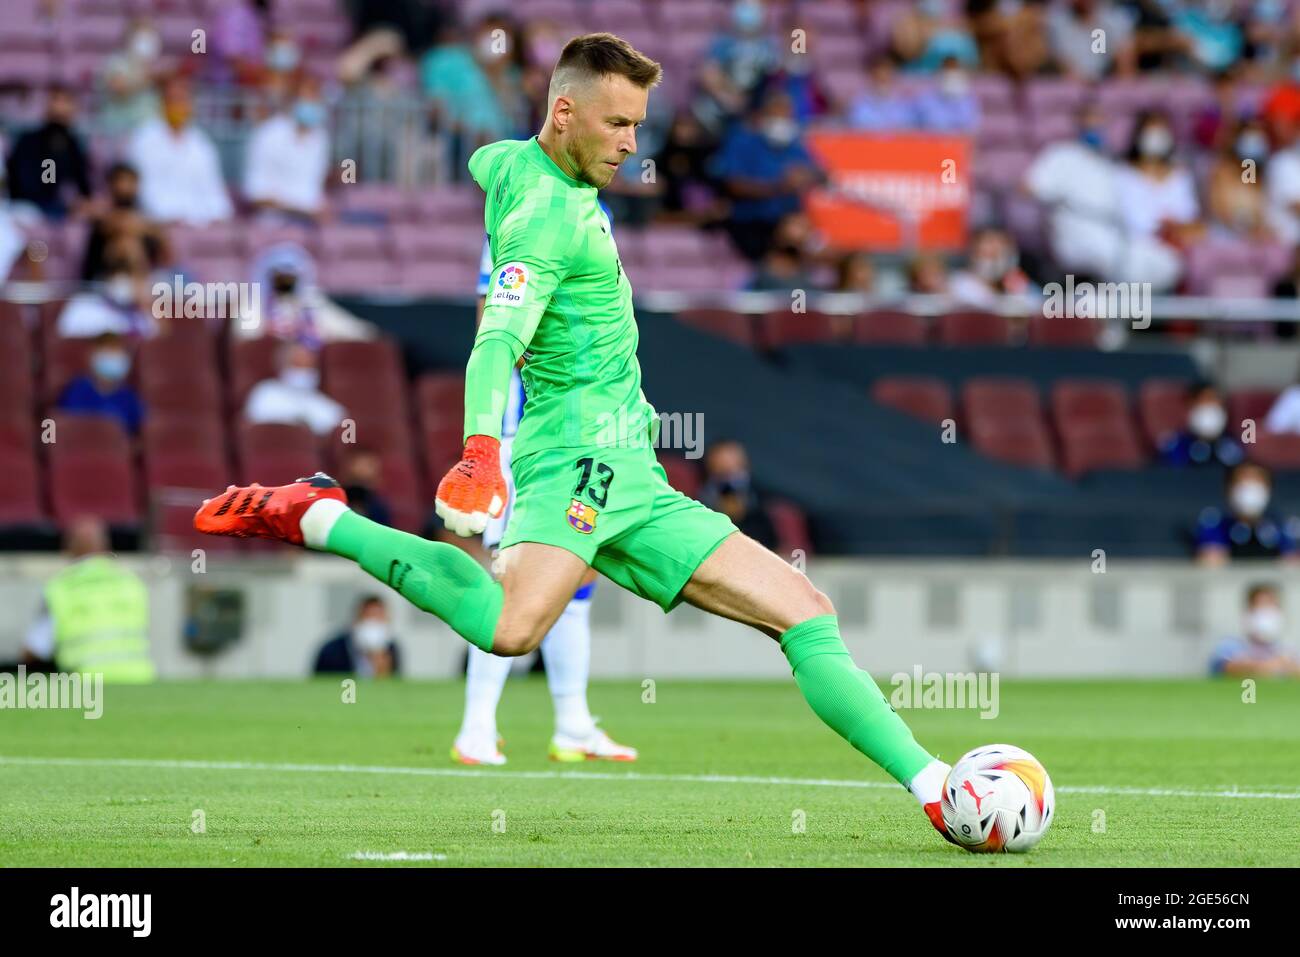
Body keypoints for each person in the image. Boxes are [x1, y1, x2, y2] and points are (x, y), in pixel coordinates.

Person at [194, 32, 959, 846]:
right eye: (618, 124)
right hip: (575, 462)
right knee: (511, 628)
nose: (633, 146)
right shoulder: (545, 219)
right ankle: (321, 516)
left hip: (638, 473)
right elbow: (496, 341)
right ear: (564, 113)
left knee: (805, 613)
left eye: (637, 126)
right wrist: (481, 450)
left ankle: (937, 786)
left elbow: (488, 160)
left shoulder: (508, 165)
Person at [450, 203, 637, 766]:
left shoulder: (593, 210)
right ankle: (476, 727)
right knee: (514, 577)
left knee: (575, 577)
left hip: (579, 432)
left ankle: (573, 724)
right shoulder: (528, 213)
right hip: (525, 435)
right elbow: (495, 319)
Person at [22, 516, 155, 683]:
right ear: (105, 546)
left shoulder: (60, 588)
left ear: (69, 548)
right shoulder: (132, 582)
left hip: (86, 687)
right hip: (139, 682)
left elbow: (36, 648)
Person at [711, 89, 820, 262]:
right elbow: (734, 184)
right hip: (750, 223)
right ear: (763, 115)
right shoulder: (742, 142)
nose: (782, 122)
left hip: (787, 222)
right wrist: (779, 187)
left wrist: (806, 177)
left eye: (787, 117)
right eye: (776, 115)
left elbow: (817, 172)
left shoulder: (795, 146)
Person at [126, 75, 233, 225]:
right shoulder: (143, 140)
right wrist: (167, 217)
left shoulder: (201, 143)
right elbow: (142, 191)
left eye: (183, 100)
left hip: (200, 222)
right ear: (162, 103)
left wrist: (219, 214)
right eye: (173, 100)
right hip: (158, 222)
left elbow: (213, 190)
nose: (178, 106)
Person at [235, 243, 377, 346]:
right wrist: (269, 331)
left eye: (290, 277)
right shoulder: (253, 301)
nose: (285, 282)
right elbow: (243, 336)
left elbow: (348, 328)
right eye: (279, 277)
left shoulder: (310, 299)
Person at [243, 75, 331, 223]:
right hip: (276, 223)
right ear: (292, 102)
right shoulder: (268, 134)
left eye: (315, 98)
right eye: (307, 99)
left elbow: (313, 190)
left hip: (312, 223)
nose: (313, 104)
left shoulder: (320, 137)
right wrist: (301, 210)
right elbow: (256, 195)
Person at [4, 85, 91, 220]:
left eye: (66, 101)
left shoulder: (74, 143)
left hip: (59, 208)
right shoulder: (29, 141)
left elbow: (81, 182)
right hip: (28, 206)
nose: (60, 107)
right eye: (55, 100)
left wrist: (82, 200)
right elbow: (35, 181)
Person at [1194, 462, 1299, 564]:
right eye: (1242, 481)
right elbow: (1209, 561)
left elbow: (1292, 562)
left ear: (1269, 488)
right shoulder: (1216, 524)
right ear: (1228, 488)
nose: (1250, 489)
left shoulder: (1282, 526)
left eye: (1257, 481)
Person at [59, 238, 158, 339]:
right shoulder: (81, 309)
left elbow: (158, 342)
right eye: (117, 267)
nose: (123, 277)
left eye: (131, 270)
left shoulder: (143, 318)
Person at [244, 341, 346, 436]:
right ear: (283, 365)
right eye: (298, 364)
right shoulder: (265, 392)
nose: (304, 371)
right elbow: (257, 425)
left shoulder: (321, 402)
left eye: (309, 366)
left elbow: (342, 424)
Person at [56, 332, 145, 436]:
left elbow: (140, 431)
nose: (113, 359)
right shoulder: (75, 393)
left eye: (116, 354)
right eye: (108, 354)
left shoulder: (129, 397)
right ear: (91, 356)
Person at [699, 440, 777, 551]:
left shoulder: (761, 495)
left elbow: (770, 537)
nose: (726, 463)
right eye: (720, 459)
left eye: (730, 456)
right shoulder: (703, 496)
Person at [1209, 584, 1300, 677]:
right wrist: (1266, 667)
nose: (1266, 612)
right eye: (1260, 605)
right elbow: (1222, 668)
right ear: (1249, 610)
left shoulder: (1288, 648)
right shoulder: (1230, 645)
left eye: (1271, 605)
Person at [1160, 382, 1244, 468]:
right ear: (1190, 405)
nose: (1210, 406)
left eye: (1215, 400)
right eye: (1204, 400)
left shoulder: (1234, 444)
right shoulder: (1176, 445)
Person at [313, 595, 401, 677]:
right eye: (368, 617)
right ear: (357, 619)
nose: (372, 623)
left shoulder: (392, 649)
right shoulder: (331, 650)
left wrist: (381, 666)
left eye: (378, 617)